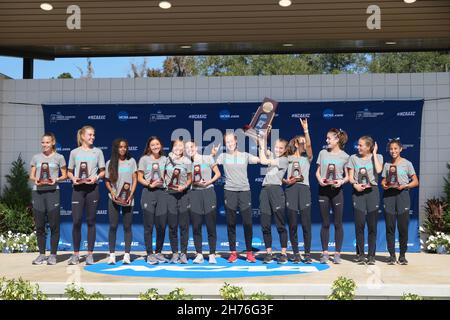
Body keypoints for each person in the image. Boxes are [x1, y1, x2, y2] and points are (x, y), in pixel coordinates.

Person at [212, 132, 260, 263]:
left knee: (247, 223)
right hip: (230, 192)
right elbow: (208, 164)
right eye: (227, 142)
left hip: (245, 192)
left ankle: (249, 253)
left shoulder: (245, 156)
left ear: (236, 141)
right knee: (231, 223)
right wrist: (212, 154)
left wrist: (261, 145)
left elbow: (261, 160)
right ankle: (233, 252)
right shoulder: (222, 156)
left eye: (231, 141)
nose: (229, 144)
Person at [67, 125, 106, 265]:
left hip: (93, 189)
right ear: (83, 136)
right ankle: (76, 254)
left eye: (93, 135)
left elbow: (103, 171)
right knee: (76, 221)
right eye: (90, 135)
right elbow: (69, 171)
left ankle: (90, 254)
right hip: (78, 189)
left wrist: (96, 178)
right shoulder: (74, 152)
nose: (92, 137)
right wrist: (73, 178)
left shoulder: (98, 152)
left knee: (91, 221)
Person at [29, 133, 67, 265]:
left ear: (53, 143)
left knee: (54, 225)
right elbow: (31, 176)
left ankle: (53, 255)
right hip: (38, 193)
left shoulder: (59, 157)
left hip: (53, 192)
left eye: (47, 142)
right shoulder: (36, 157)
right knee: (39, 226)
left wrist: (55, 179)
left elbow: (65, 175)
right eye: (43, 142)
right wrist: (37, 180)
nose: (45, 145)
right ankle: (41, 255)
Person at [381, 138, 419, 265]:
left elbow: (415, 181)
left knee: (403, 227)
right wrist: (384, 185)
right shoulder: (386, 165)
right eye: (391, 149)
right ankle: (392, 256)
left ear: (400, 149)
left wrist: (405, 186)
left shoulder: (407, 163)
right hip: (389, 196)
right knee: (390, 227)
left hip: (403, 195)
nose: (393, 151)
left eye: (395, 148)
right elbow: (383, 181)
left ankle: (402, 256)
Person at [347, 136, 383, 265]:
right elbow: (350, 177)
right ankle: (361, 255)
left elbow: (379, 170)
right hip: (358, 193)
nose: (358, 147)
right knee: (360, 225)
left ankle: (371, 256)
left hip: (372, 192)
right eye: (358, 145)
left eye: (361, 145)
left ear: (369, 147)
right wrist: (355, 184)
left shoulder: (378, 157)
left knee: (372, 226)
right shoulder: (353, 158)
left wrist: (374, 154)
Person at [316, 128, 350, 264]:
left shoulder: (346, 156)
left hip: (337, 192)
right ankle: (325, 253)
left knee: (338, 223)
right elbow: (317, 172)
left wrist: (341, 181)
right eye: (327, 138)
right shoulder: (322, 153)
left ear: (337, 140)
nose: (327, 140)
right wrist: (319, 180)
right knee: (325, 223)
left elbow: (348, 176)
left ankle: (337, 254)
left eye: (329, 138)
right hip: (323, 190)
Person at [185, 141, 221, 264]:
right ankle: (199, 254)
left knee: (211, 225)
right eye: (187, 148)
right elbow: (188, 180)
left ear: (196, 147)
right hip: (194, 193)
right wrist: (194, 183)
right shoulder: (187, 163)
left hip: (208, 193)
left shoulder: (207, 158)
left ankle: (212, 254)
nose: (190, 149)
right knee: (196, 226)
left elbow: (218, 174)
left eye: (191, 147)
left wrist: (209, 182)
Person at [283, 119, 313, 264]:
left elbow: (309, 145)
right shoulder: (287, 158)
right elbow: (278, 176)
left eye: (303, 143)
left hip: (304, 190)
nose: (303, 145)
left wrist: (306, 131)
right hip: (291, 190)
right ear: (295, 144)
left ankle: (307, 254)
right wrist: (286, 181)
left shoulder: (308, 158)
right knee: (293, 224)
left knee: (306, 224)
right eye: (300, 142)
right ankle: (296, 253)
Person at [105, 138, 137, 265]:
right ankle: (112, 255)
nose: (123, 149)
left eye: (124, 147)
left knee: (127, 226)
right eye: (120, 147)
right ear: (116, 148)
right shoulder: (110, 163)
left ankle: (127, 255)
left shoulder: (132, 161)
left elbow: (135, 179)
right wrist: (112, 192)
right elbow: (107, 181)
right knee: (113, 226)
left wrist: (131, 194)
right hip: (114, 199)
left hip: (128, 199)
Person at [258, 134, 289, 264]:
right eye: (276, 147)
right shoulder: (272, 155)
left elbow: (264, 161)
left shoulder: (284, 160)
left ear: (285, 150)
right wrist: (261, 139)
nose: (278, 150)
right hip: (265, 190)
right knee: (265, 225)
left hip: (276, 190)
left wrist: (262, 147)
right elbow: (264, 151)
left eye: (281, 148)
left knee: (280, 224)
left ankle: (283, 253)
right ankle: (269, 253)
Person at [138, 136, 169, 264]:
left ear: (161, 145)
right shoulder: (144, 159)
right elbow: (139, 177)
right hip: (148, 192)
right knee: (149, 226)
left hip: (162, 193)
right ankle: (150, 254)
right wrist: (148, 184)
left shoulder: (166, 159)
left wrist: (165, 182)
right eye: (152, 145)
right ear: (149, 147)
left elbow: (169, 175)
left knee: (161, 225)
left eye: (157, 144)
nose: (155, 147)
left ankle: (159, 252)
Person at [164, 139, 192, 264]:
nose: (179, 148)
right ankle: (175, 253)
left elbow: (190, 178)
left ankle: (183, 254)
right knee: (172, 225)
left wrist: (184, 186)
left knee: (184, 225)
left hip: (184, 194)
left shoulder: (187, 161)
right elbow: (162, 174)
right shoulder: (166, 160)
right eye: (177, 146)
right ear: (172, 147)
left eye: (181, 146)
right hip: (170, 194)